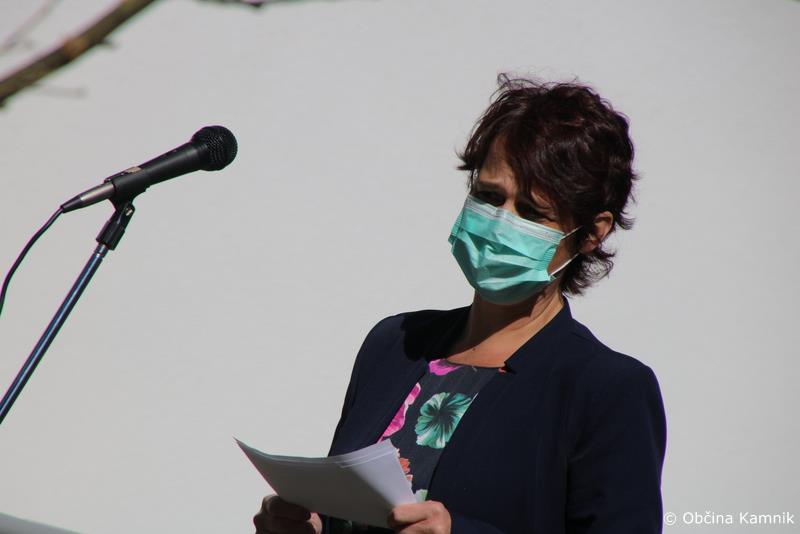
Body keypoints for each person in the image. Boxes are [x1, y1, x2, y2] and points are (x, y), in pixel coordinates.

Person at [253, 73, 667, 534]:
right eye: (489, 196)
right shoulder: (396, 344)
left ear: (591, 233)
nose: (500, 223)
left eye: (532, 212)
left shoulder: (608, 390)